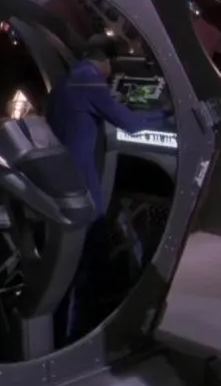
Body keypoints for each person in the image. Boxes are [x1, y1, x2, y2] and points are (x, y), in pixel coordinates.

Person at [47, 35, 169, 343]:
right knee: (90, 252)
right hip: (81, 180)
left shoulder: (66, 79)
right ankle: (83, 332)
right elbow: (131, 124)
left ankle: (66, 328)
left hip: (60, 175)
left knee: (69, 257)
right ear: (105, 62)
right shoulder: (90, 81)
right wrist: (166, 114)